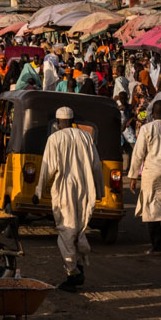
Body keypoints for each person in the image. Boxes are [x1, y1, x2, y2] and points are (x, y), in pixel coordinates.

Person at [33, 106, 103, 291]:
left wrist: (38, 192)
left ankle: (73, 274)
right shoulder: (86, 137)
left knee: (66, 231)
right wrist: (100, 190)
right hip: (86, 189)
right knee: (79, 228)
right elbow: (96, 166)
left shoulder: (54, 138)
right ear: (72, 121)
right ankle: (78, 265)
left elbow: (48, 168)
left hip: (65, 191)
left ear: (58, 123)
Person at [128, 100, 161, 254]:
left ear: (152, 114)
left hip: (152, 170)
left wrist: (133, 177)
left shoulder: (147, 128)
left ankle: (157, 246)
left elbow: (138, 154)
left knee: (151, 206)